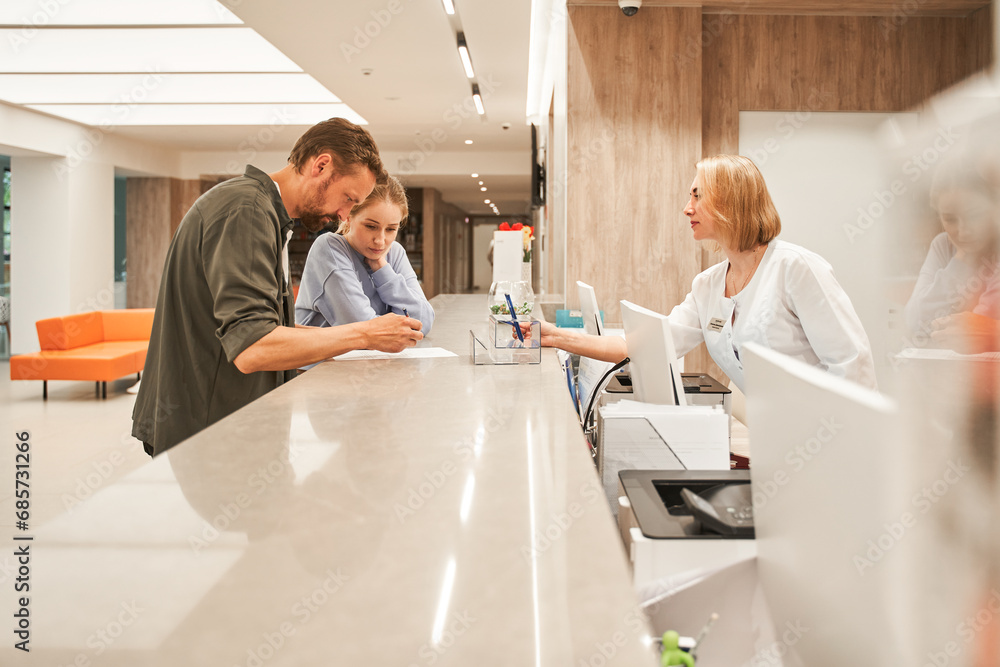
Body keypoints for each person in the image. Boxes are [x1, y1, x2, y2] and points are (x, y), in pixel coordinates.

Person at [133, 118, 424, 457]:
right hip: (207, 429)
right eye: (348, 198)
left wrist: (356, 341)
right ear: (321, 166)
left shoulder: (266, 214)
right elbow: (254, 346)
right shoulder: (246, 212)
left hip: (227, 422)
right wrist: (365, 334)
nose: (345, 215)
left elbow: (269, 329)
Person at [531, 154, 877, 392]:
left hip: (825, 441)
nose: (687, 209)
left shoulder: (795, 268)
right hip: (774, 442)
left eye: (697, 196)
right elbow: (641, 346)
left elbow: (853, 367)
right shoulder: (708, 285)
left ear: (731, 202)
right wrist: (554, 336)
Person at [295, 175, 434, 334]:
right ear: (348, 216)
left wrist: (382, 269)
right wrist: (403, 323)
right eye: (370, 226)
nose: (380, 241)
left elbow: (423, 321)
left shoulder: (395, 252)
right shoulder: (329, 248)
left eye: (391, 229)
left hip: (374, 351)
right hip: (322, 352)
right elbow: (365, 330)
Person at [904, 160, 999, 346]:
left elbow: (980, 326)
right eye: (950, 219)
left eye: (974, 215)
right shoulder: (944, 246)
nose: (963, 232)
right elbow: (914, 322)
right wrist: (962, 260)